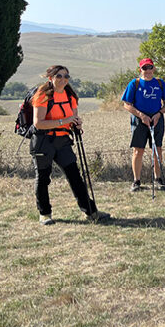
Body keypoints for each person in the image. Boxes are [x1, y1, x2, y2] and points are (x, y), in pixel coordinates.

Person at [31, 65, 110, 225]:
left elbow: (73, 118)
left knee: (75, 176)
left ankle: (91, 212)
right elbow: (38, 123)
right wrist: (63, 121)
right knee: (43, 178)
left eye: (66, 76)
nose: (63, 79)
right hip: (43, 141)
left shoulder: (70, 95)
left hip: (63, 141)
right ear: (50, 78)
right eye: (59, 76)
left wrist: (77, 124)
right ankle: (45, 214)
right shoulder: (42, 95)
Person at [121, 58, 165, 193]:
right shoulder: (134, 83)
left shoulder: (160, 83)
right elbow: (126, 104)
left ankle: (158, 179)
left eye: (150, 67)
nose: (148, 71)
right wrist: (141, 116)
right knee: (138, 151)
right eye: (145, 68)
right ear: (140, 70)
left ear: (154, 68)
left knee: (157, 149)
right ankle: (136, 181)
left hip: (157, 119)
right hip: (139, 121)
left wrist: (159, 114)